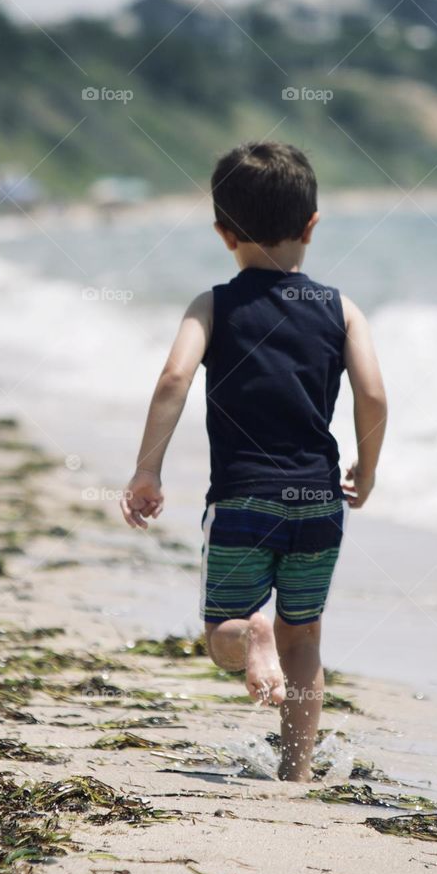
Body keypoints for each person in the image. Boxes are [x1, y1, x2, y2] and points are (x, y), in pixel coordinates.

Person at [121, 142, 387, 780]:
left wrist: (148, 470)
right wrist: (366, 468)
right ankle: (296, 773)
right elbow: (373, 393)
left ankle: (252, 638)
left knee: (222, 638)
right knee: (306, 637)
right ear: (311, 227)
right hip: (318, 504)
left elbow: (171, 380)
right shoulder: (342, 309)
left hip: (243, 501)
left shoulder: (213, 306)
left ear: (222, 233)